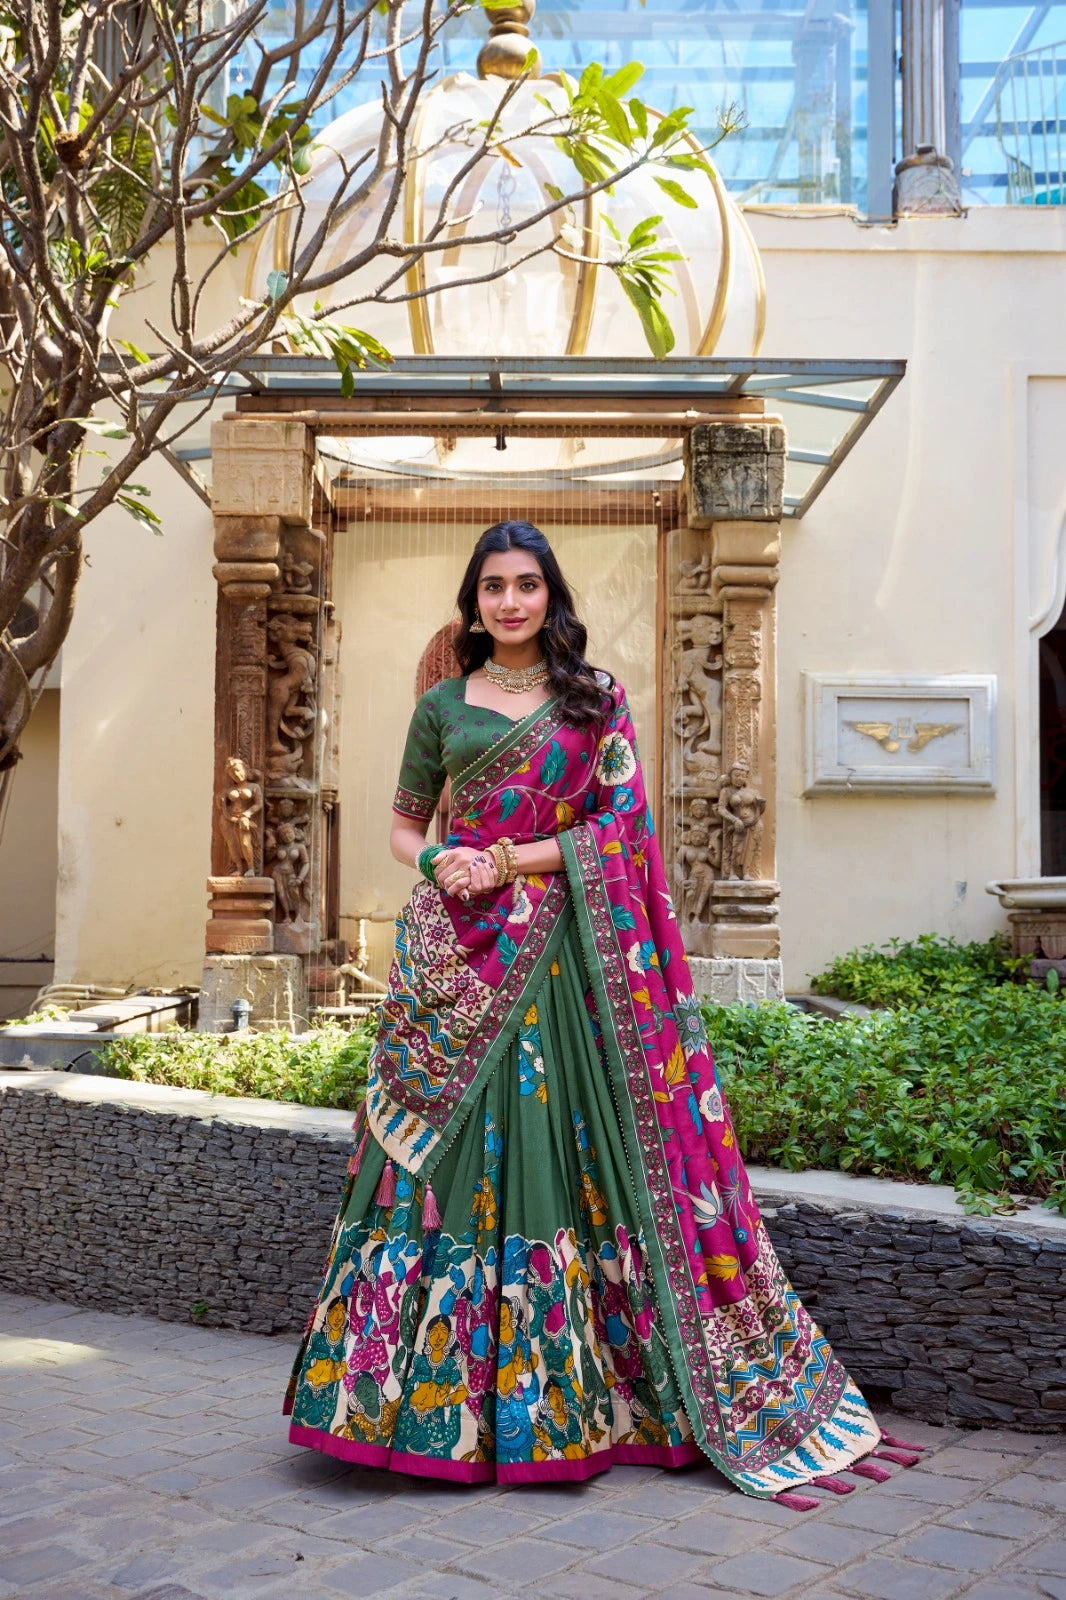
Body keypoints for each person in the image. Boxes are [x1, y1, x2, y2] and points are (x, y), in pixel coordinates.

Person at [284, 521, 882, 1501]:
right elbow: (403, 826)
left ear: (550, 596)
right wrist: (442, 859)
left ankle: (565, 1402)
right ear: (472, 600)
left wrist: (507, 859)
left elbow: (620, 829)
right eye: (493, 587)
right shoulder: (441, 703)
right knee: (428, 1159)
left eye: (526, 585)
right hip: (451, 956)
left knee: (553, 1143)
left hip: (556, 955)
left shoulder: (592, 701)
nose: (510, 603)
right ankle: (406, 1402)